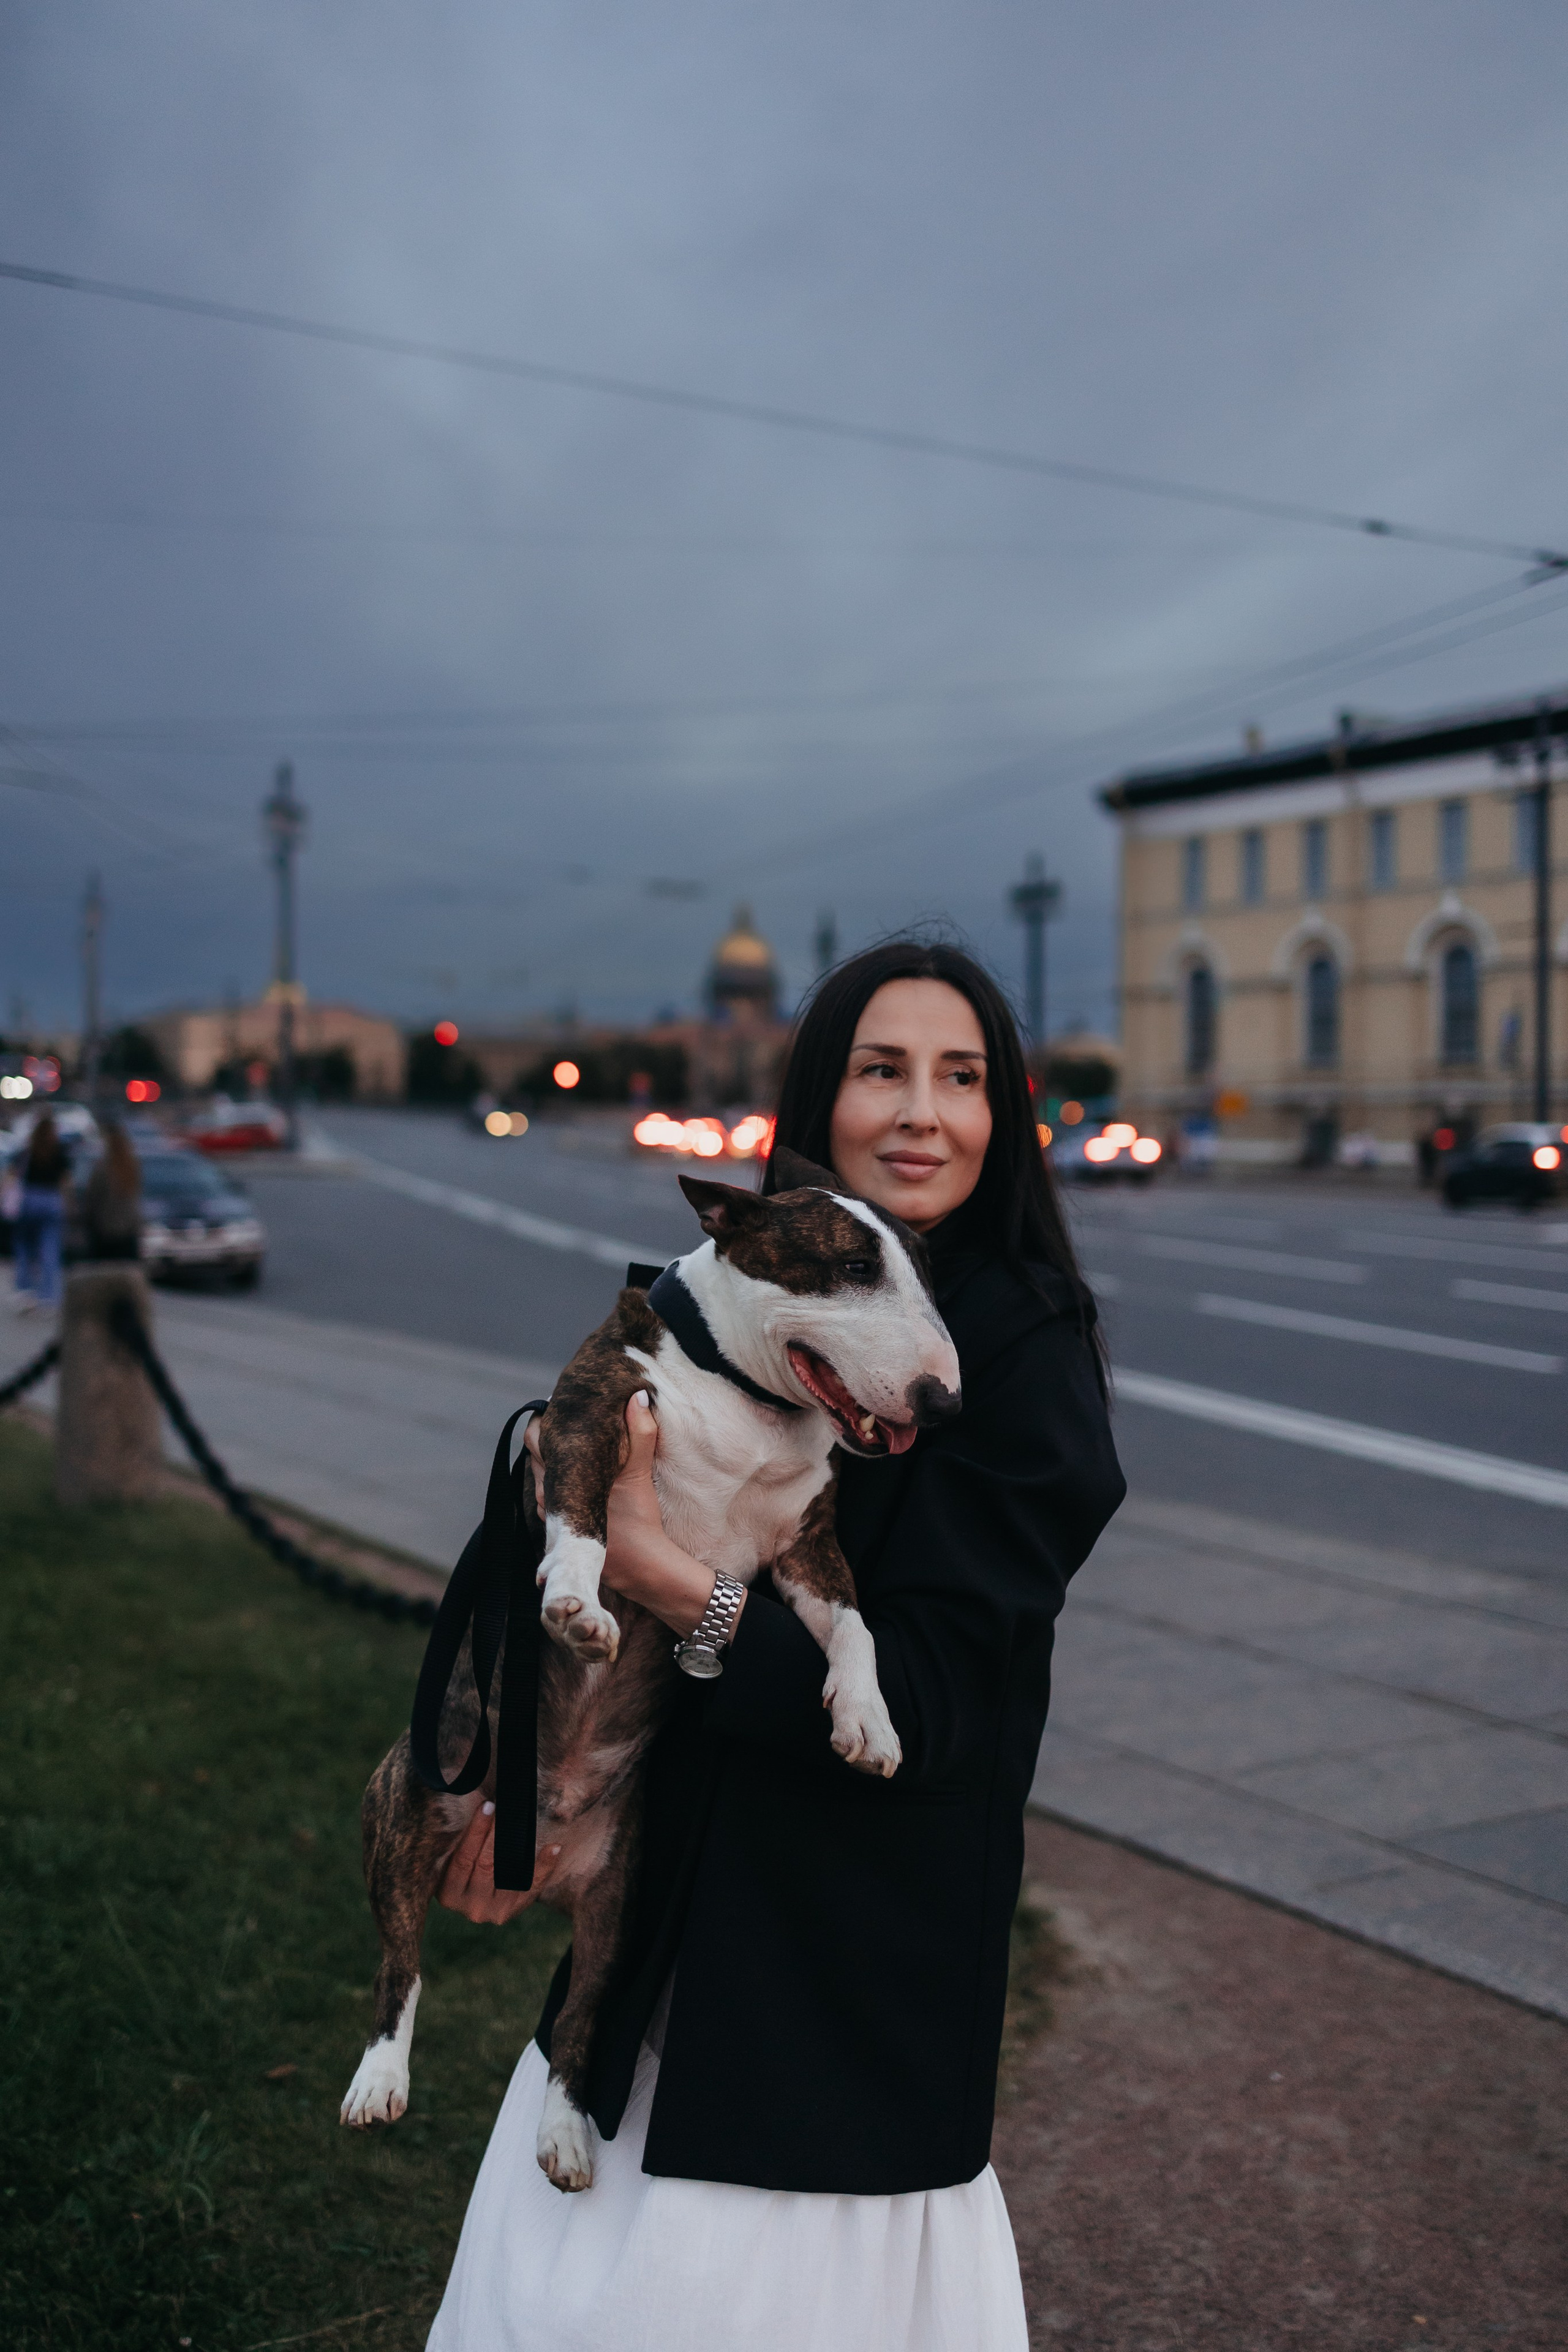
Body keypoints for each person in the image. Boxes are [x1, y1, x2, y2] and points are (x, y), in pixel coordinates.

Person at [428, 940, 1126, 2352]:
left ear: (1002, 1114)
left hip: (834, 1982)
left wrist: (669, 1578)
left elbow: (926, 1708)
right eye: (881, 1071)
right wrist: (510, 1789)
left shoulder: (1016, 1356)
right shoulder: (744, 1302)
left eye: (961, 1077)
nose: (921, 1113)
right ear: (818, 1103)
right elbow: (574, 1517)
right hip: (669, 1927)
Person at [12, 1114, 71, 1313]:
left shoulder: (29, 1150)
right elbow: (65, 1182)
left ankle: (25, 1290)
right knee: (50, 1249)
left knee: (25, 1246)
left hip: (31, 1199)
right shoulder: (59, 1152)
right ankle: (48, 1295)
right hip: (52, 1200)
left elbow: (14, 1174)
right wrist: (68, 1203)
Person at [82, 1119, 143, 1261]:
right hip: (128, 1230)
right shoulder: (132, 1167)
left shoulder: (103, 1169)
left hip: (106, 1230)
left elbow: (92, 1198)